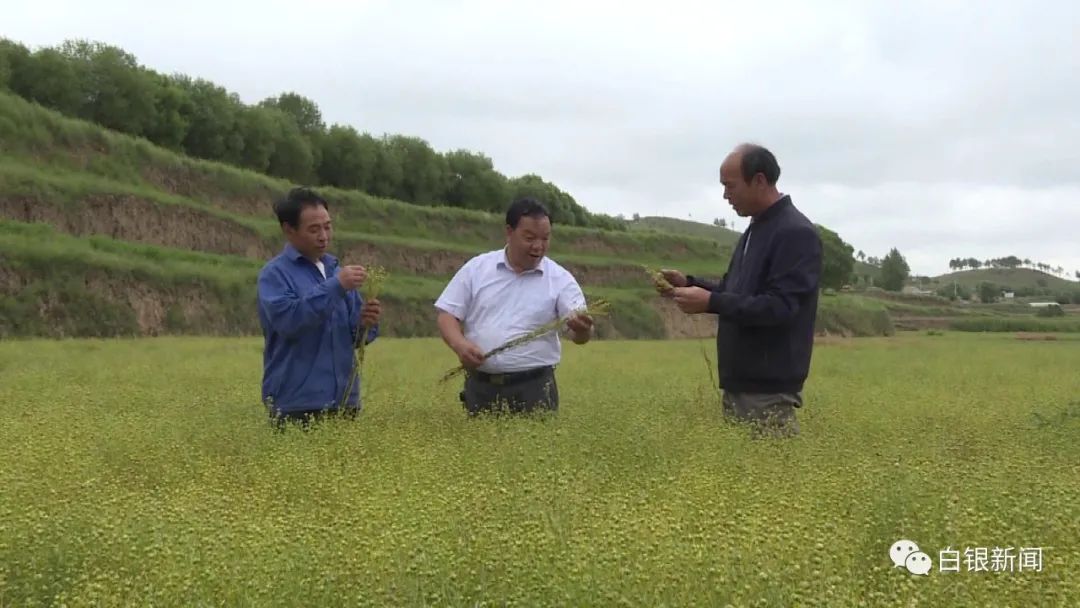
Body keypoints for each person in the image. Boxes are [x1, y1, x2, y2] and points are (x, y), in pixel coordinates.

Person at [664, 143, 822, 437]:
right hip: (742, 386)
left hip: (768, 393)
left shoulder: (795, 233)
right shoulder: (756, 229)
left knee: (771, 479)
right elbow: (735, 291)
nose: (725, 195)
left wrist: (711, 301)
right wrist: (689, 284)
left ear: (759, 180)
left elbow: (780, 307)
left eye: (730, 186)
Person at [434, 197, 595, 416]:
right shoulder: (477, 269)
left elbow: (579, 335)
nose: (538, 246)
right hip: (482, 388)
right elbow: (447, 315)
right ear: (509, 232)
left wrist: (583, 329)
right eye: (529, 238)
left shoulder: (560, 279)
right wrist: (460, 345)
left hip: (536, 389)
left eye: (545, 238)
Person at [257, 186, 382, 428]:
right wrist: (336, 287)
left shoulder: (337, 271)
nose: (324, 236)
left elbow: (353, 338)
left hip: (345, 402)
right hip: (297, 405)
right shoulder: (274, 275)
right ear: (288, 230)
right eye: (314, 229)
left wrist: (366, 323)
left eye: (327, 226)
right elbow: (290, 322)